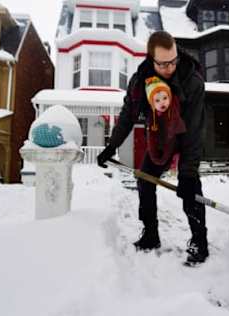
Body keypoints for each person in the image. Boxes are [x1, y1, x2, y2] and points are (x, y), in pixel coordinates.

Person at [97, 31, 208, 266]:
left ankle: (200, 242)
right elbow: (127, 116)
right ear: (151, 58)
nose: (170, 68)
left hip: (185, 134)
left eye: (173, 61)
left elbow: (195, 130)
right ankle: (150, 235)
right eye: (163, 63)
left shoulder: (191, 80)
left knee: (191, 190)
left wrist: (187, 174)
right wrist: (112, 146)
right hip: (159, 139)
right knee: (145, 180)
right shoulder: (140, 82)